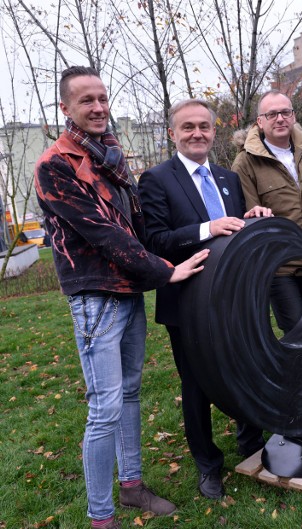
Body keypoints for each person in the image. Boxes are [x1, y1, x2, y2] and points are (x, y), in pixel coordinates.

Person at [34, 66, 210, 529]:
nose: (97, 107)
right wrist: (167, 272)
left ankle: (131, 486)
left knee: (129, 395)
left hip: (128, 291)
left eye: (102, 98)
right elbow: (104, 234)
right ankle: (101, 517)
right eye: (85, 100)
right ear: (65, 108)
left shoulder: (110, 156)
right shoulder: (55, 165)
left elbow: (134, 226)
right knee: (105, 407)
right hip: (94, 296)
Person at [138, 99, 271, 500]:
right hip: (188, 301)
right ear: (172, 133)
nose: (197, 133)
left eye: (204, 127)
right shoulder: (156, 179)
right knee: (196, 385)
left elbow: (233, 232)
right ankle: (208, 465)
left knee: (248, 369)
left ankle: (253, 444)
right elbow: (154, 240)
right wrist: (205, 227)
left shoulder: (228, 178)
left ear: (214, 131)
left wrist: (251, 218)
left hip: (235, 298)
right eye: (188, 127)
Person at [231, 90, 302, 333]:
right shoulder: (245, 163)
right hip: (280, 267)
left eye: (285, 112)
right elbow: (248, 216)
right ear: (260, 121)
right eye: (272, 114)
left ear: (293, 116)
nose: (280, 119)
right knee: (298, 334)